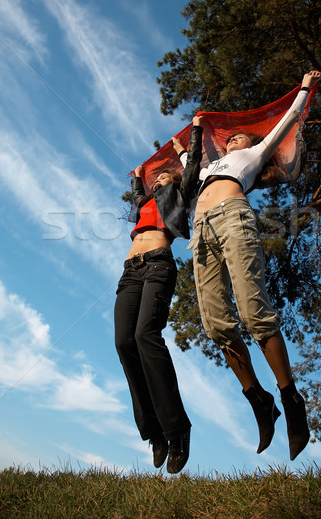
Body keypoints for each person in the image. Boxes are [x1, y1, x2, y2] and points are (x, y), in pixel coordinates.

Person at [173, 71, 321, 460]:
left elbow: (287, 121)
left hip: (233, 218)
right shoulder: (208, 169)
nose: (232, 138)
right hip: (201, 231)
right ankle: (259, 399)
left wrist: (304, 87)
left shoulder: (251, 156)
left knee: (255, 315)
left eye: (238, 136)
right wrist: (181, 149)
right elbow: (191, 165)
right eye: (229, 137)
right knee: (217, 325)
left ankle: (290, 399)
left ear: (253, 144)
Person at [114, 116, 202, 474]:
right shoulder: (145, 203)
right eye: (156, 178)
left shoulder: (179, 194)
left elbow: (192, 166)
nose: (158, 179)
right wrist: (138, 177)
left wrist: (191, 136)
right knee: (124, 342)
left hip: (159, 265)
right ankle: (155, 433)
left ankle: (177, 429)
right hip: (130, 271)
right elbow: (138, 194)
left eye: (164, 176)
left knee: (145, 336)